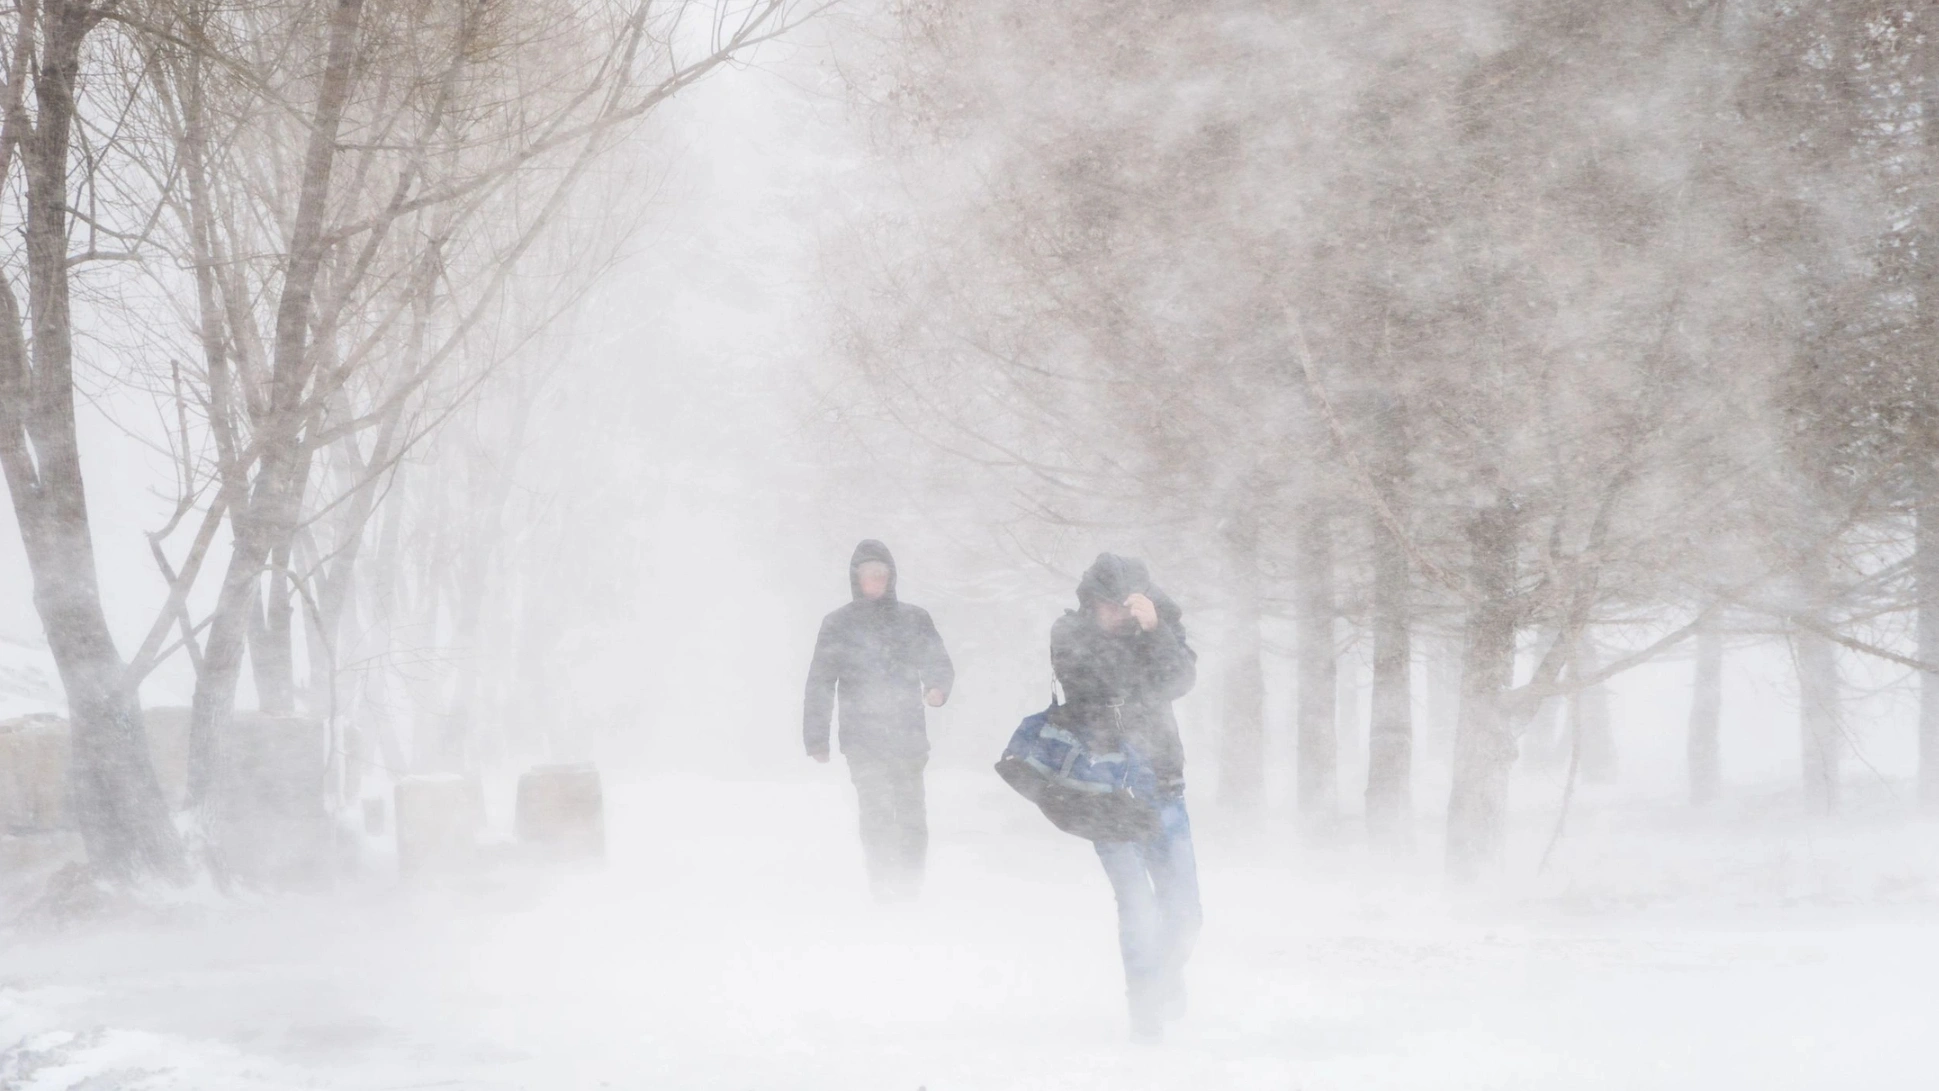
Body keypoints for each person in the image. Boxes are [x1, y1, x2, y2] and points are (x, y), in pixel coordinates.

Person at [1051, 552, 1201, 1043]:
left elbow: (1178, 682)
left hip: (1163, 783)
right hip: (1106, 791)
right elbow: (1094, 686)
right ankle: (1145, 1013)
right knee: (1137, 905)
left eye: (1126, 604)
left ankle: (1166, 977)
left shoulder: (1160, 627)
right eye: (1108, 605)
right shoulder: (1070, 633)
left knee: (1184, 911)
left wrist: (1155, 629)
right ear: (1091, 602)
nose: (1118, 614)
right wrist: (1133, 640)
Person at [803, 540, 955, 900]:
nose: (875, 580)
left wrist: (937, 688)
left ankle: (910, 886)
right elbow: (820, 681)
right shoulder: (838, 624)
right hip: (862, 739)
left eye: (881, 574)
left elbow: (938, 661)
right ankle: (883, 884)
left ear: (891, 577)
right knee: (876, 814)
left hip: (908, 737)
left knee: (911, 816)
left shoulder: (913, 619)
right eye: (868, 574)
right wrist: (816, 738)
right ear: (856, 578)